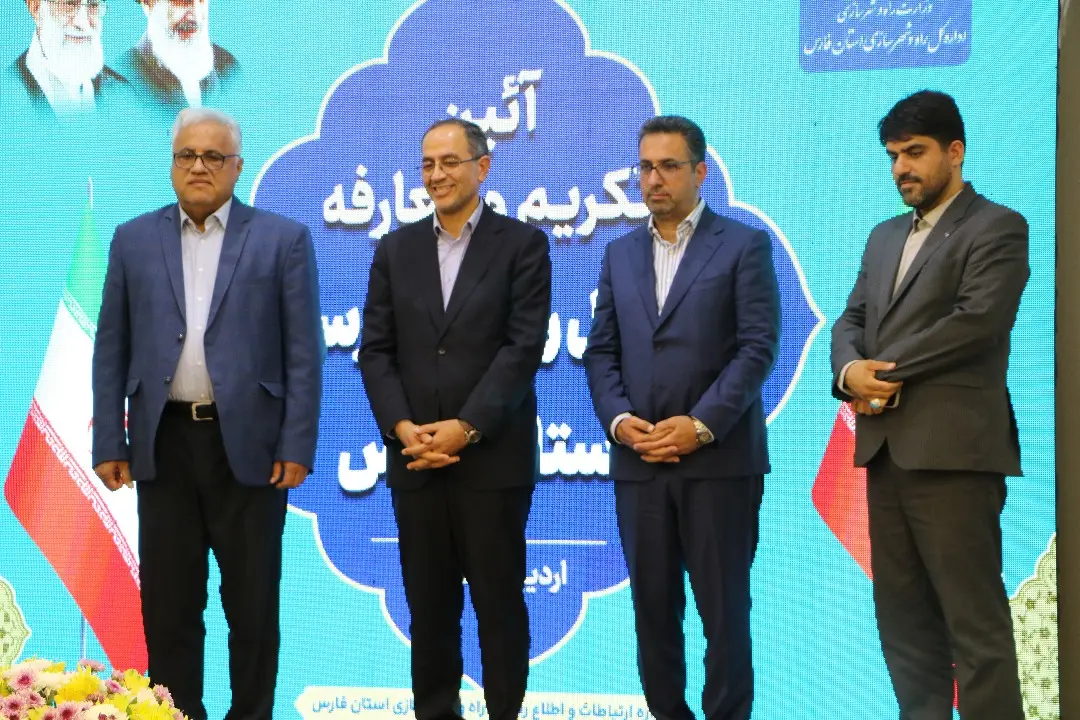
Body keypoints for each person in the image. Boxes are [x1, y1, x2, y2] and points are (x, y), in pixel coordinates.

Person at [92, 107, 324, 720]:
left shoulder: (282, 240)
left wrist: (296, 444)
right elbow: (111, 348)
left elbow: (304, 353)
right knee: (169, 607)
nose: (199, 166)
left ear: (237, 167)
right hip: (163, 444)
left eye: (213, 156)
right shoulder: (132, 239)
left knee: (252, 607)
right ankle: (176, 713)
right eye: (187, 155)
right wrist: (109, 440)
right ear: (172, 165)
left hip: (250, 449)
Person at [831, 90, 1028, 719]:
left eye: (914, 153)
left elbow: (977, 322)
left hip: (954, 458)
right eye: (893, 156)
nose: (901, 168)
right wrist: (849, 372)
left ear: (955, 151)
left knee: (974, 630)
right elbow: (851, 320)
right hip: (885, 455)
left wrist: (881, 375)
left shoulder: (996, 226)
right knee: (905, 629)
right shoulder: (883, 236)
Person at [583, 115, 781, 720]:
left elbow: (757, 348)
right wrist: (619, 420)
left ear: (700, 172)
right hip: (639, 464)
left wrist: (699, 425)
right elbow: (601, 351)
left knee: (725, 617)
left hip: (718, 465)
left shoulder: (742, 245)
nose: (654, 179)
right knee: (652, 613)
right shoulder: (619, 254)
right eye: (645, 167)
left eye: (669, 166)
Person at [358, 118, 551, 720]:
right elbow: (376, 351)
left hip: (492, 462)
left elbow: (522, 348)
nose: (436, 175)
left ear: (482, 167)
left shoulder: (522, 244)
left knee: (499, 608)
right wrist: (402, 428)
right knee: (429, 612)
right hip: (416, 460)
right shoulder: (395, 250)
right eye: (427, 164)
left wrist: (465, 427)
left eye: (449, 162)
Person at [11, 0, 129, 115]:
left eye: (93, 4)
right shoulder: (9, 97)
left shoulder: (121, 92)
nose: (83, 24)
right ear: (35, 8)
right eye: (69, 3)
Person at [113, 0, 238, 109]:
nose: (195, 13)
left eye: (201, 0)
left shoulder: (227, 65)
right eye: (181, 1)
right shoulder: (122, 79)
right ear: (148, 3)